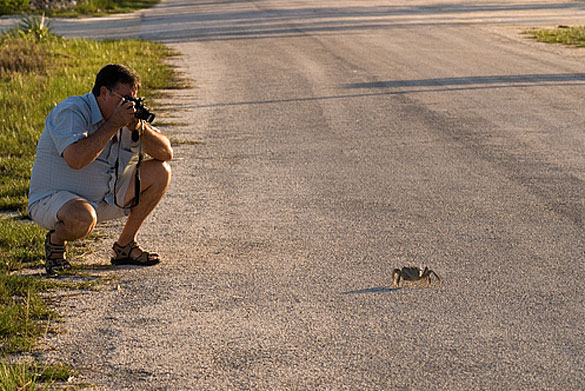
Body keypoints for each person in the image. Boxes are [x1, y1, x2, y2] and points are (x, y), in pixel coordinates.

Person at [28, 64, 173, 275]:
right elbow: (76, 159)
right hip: (55, 201)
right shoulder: (72, 111)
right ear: (104, 92)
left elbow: (166, 152)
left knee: (161, 171)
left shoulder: (126, 119)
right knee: (83, 218)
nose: (129, 107)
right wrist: (113, 124)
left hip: (104, 196)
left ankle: (125, 246)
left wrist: (140, 128)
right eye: (125, 100)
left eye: (133, 101)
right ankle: (56, 241)